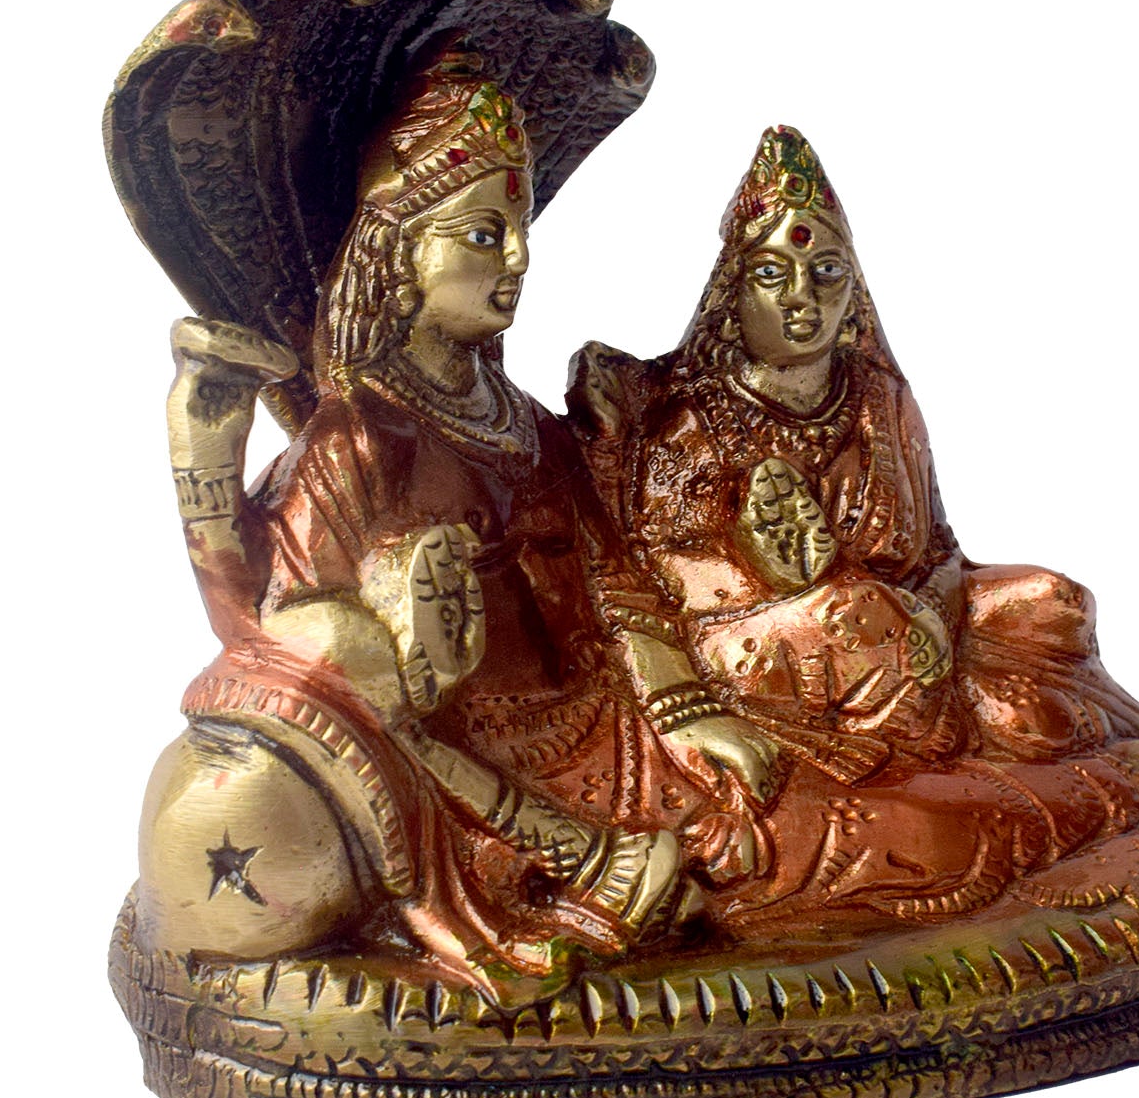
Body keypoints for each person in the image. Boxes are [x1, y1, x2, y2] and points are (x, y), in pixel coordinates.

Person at [137, 65, 777, 993]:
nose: (516, 258)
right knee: (758, 848)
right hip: (478, 751)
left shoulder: (523, 421)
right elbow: (295, 640)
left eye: (519, 232)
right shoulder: (357, 442)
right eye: (483, 234)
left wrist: (687, 710)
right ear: (399, 254)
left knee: (789, 765)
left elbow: (618, 583)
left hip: (606, 712)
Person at [565, 126, 1139, 932]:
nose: (801, 298)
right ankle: (1079, 770)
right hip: (764, 647)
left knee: (1049, 603)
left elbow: (939, 549)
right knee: (864, 620)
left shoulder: (880, 400)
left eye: (825, 273)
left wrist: (932, 605)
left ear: (853, 290)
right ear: (733, 292)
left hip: (908, 622)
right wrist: (796, 587)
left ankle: (1067, 741)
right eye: (772, 275)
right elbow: (666, 583)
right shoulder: (693, 421)